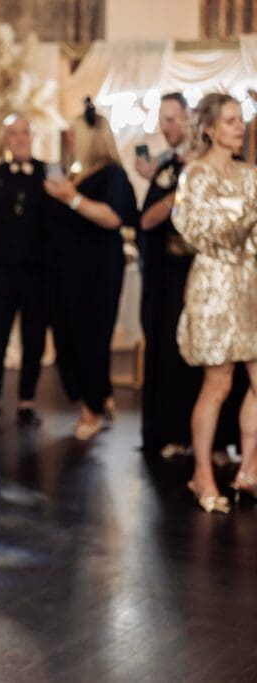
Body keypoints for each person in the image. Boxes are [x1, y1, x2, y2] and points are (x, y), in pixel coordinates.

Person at [172, 93, 257, 514]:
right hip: (214, 288)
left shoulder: (251, 175)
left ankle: (250, 469)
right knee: (219, 383)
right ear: (209, 129)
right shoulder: (196, 177)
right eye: (230, 121)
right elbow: (201, 231)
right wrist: (243, 220)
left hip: (251, 286)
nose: (239, 127)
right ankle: (201, 472)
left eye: (241, 120)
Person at [44, 99, 139, 441]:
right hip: (66, 271)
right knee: (68, 338)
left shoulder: (112, 175)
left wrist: (71, 198)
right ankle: (100, 395)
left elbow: (114, 217)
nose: (68, 141)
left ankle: (92, 410)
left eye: (72, 135)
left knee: (91, 339)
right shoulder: (75, 173)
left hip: (97, 272)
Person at [0, 114, 49, 426]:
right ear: (6, 139)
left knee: (35, 339)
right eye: (13, 134)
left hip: (39, 274)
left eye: (24, 133)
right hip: (0, 271)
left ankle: (27, 400)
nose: (19, 139)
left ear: (32, 137)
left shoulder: (48, 174)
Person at [138, 93, 202, 457]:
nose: (167, 127)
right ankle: (174, 432)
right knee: (171, 355)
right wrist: (181, 191)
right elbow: (147, 220)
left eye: (173, 119)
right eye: (162, 120)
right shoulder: (169, 169)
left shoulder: (201, 164)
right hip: (169, 278)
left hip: (206, 273)